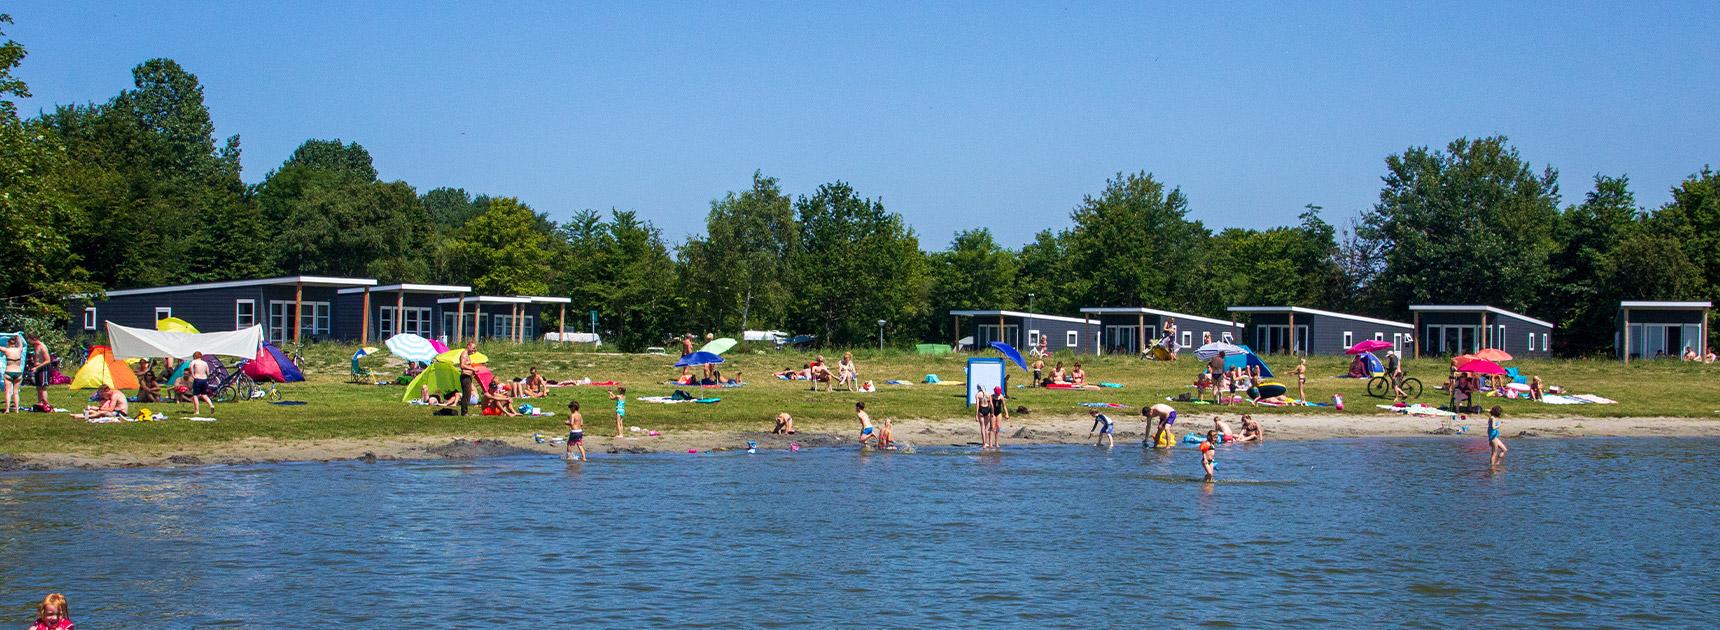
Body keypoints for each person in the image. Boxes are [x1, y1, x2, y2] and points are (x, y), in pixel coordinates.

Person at [28, 334, 52, 410]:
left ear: (34, 339)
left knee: (43, 387)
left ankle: (45, 404)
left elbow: (48, 360)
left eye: (29, 340)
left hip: (43, 369)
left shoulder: (42, 347)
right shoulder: (35, 346)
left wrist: (37, 367)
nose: (28, 342)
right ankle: (40, 403)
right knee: (38, 387)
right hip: (37, 368)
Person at [188, 351, 214, 416]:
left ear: (194, 356)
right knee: (204, 394)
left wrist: (193, 375)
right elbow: (208, 373)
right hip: (204, 380)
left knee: (195, 395)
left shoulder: (194, 362)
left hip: (197, 379)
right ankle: (211, 405)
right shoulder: (205, 363)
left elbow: (190, 368)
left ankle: (197, 411)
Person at [1, 335, 22, 413]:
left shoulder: (6, 350)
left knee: (8, 392)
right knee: (16, 392)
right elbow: (20, 344)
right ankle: (17, 410)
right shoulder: (19, 349)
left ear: (8, 343)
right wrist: (18, 336)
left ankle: (7, 409)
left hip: (9, 372)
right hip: (18, 372)